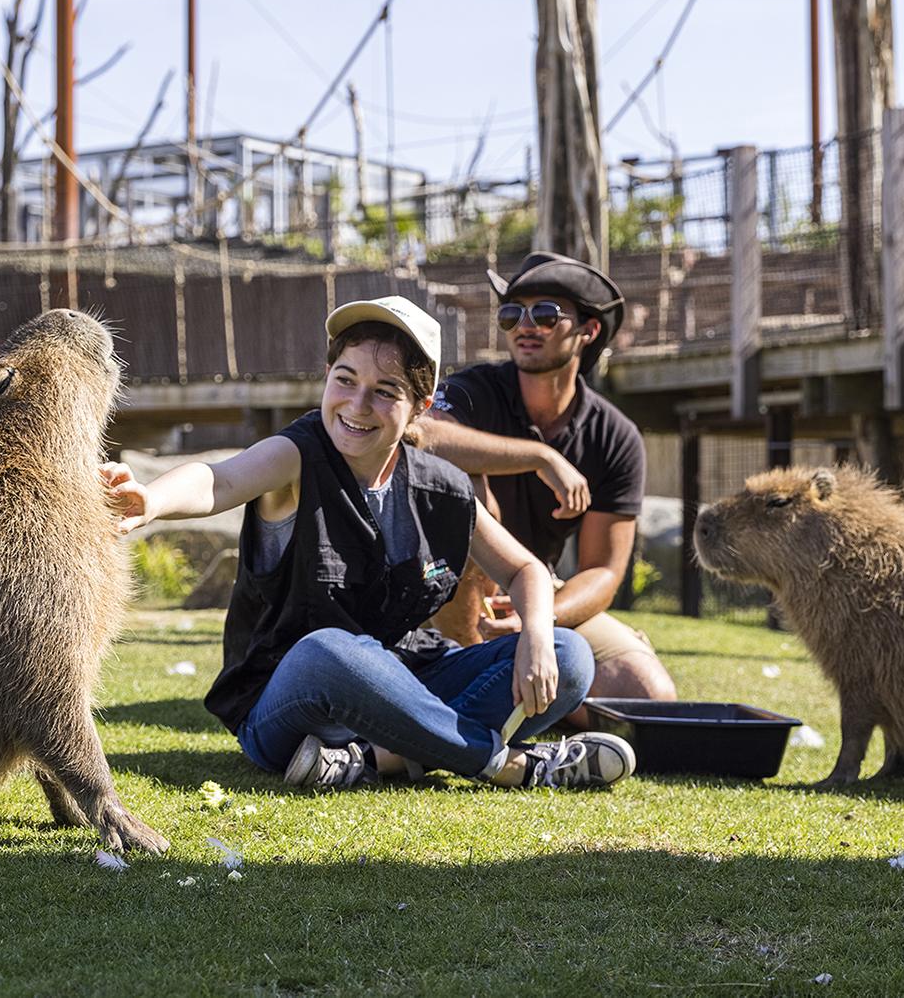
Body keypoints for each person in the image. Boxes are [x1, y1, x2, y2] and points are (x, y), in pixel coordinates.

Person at [103, 295, 635, 791]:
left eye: (385, 391)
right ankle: (504, 763)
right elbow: (218, 479)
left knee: (570, 656)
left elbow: (526, 570)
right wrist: (151, 499)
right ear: (327, 379)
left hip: (399, 683)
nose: (357, 404)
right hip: (289, 702)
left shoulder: (440, 486)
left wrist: (537, 636)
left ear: (420, 406)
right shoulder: (296, 456)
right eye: (345, 379)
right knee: (331, 650)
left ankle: (379, 758)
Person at [418, 252, 678, 724]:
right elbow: (425, 435)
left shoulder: (615, 436)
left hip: (538, 600)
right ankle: (472, 676)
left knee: (648, 699)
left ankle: (508, 692)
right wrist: (541, 456)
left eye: (545, 313)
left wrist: (536, 621)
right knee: (468, 484)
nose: (524, 325)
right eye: (511, 313)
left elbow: (602, 571)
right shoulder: (476, 389)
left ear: (589, 330)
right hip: (442, 588)